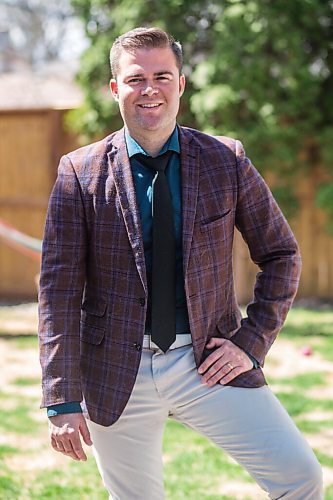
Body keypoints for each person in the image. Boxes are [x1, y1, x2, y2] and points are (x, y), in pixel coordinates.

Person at [38, 27, 323, 499]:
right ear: (114, 88)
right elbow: (58, 293)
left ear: (181, 84)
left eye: (162, 75)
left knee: (301, 478)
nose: (149, 88)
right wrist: (60, 398)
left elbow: (282, 254)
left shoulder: (224, 160)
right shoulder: (80, 172)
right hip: (114, 371)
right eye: (135, 79)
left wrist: (250, 343)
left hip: (207, 361)